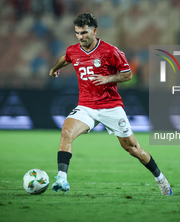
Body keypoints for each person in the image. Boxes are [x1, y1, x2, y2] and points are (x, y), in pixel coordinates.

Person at [48, 13, 173, 196]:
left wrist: (107, 78)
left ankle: (161, 179)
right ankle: (61, 178)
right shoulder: (73, 50)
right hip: (86, 106)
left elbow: (128, 74)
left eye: (84, 33)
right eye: (77, 33)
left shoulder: (110, 51)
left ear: (94, 31)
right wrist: (54, 69)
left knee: (133, 149)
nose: (81, 37)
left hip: (111, 107)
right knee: (66, 132)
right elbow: (65, 58)